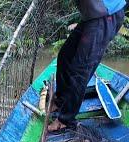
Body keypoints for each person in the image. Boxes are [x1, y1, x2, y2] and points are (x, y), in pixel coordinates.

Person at [48, 0, 127, 131]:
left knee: (80, 69)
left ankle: (65, 120)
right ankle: (61, 101)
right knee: (65, 56)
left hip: (106, 16)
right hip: (94, 15)